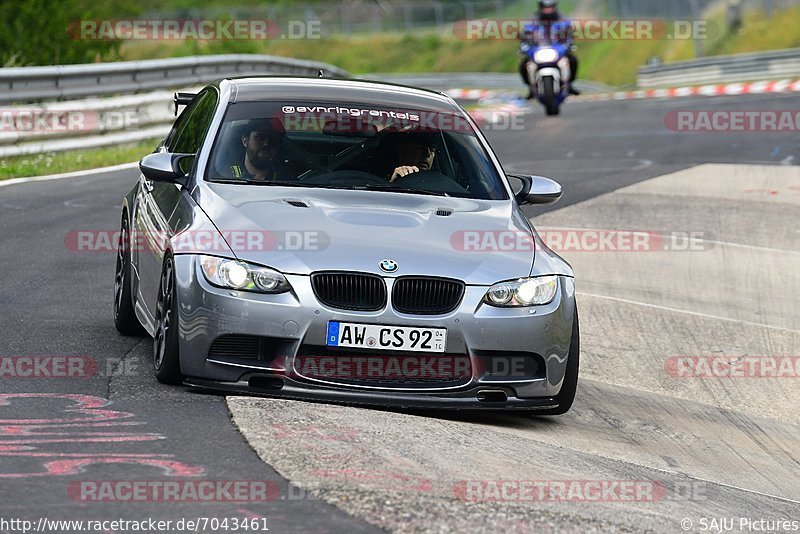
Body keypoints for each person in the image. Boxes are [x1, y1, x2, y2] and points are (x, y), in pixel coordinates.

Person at [518, 0, 581, 98]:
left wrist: (568, 42)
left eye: (550, 7)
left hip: (557, 49)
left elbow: (569, 33)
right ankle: (531, 88)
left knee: (572, 60)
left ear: (554, 7)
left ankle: (569, 84)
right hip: (538, 50)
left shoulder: (562, 20)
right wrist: (525, 44)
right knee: (523, 65)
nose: (548, 10)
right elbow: (526, 34)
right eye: (546, 8)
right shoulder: (534, 21)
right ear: (541, 8)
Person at [228, 118, 297, 181]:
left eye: (273, 140)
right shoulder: (226, 175)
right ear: (245, 140)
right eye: (260, 137)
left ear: (278, 147)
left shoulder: (288, 180)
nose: (266, 144)